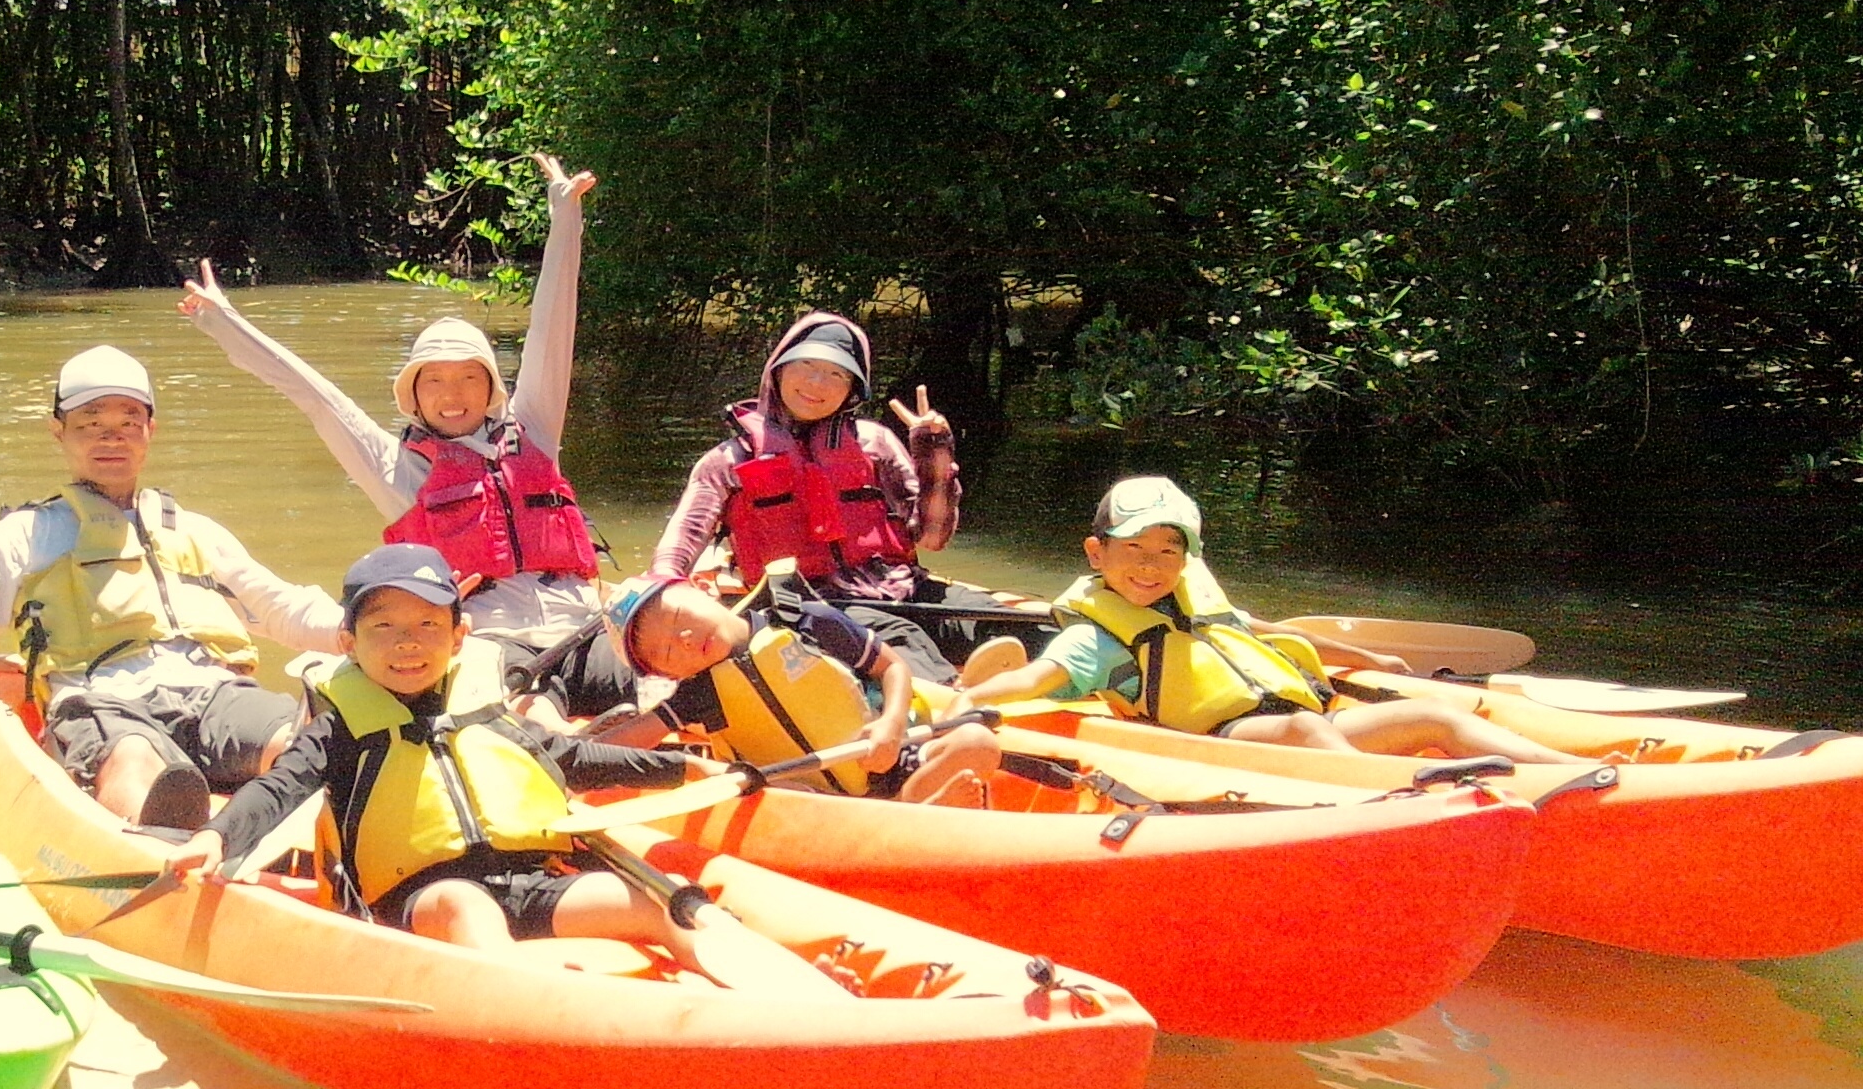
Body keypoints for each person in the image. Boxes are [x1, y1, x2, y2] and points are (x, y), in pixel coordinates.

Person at [177, 153, 632, 718]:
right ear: (413, 396)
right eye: (434, 380)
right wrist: (223, 320)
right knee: (537, 713)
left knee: (673, 671)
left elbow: (552, 327)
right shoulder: (397, 470)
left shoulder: (533, 429)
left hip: (585, 624)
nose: (452, 393)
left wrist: (565, 219)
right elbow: (314, 395)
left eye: (469, 377)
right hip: (494, 645)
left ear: (491, 387)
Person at [170, 547, 737, 968]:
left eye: (427, 625)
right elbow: (278, 789)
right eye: (383, 626)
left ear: (459, 635)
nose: (408, 643)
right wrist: (217, 837)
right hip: (417, 897)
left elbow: (568, 756)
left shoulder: (486, 710)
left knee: (656, 901)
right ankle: (528, 1005)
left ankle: (753, 998)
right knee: (466, 907)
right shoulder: (339, 728)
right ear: (349, 641)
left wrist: (681, 768)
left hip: (524, 880)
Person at [0, 346, 341, 828]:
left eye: (128, 422)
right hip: (101, 699)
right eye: (91, 423)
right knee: (135, 762)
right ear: (59, 431)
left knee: (300, 740)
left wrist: (360, 628)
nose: (111, 438)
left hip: (212, 691)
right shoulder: (28, 533)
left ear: (149, 432)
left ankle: (316, 846)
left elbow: (282, 607)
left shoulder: (196, 531)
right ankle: (163, 852)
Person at [966, 477, 1571, 761]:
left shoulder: (1198, 600)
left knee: (1434, 715)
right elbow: (1032, 681)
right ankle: (1397, 804)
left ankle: (1587, 776)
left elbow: (1274, 634)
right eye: (1134, 552)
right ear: (1097, 553)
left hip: (1308, 719)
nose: (1151, 568)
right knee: (1307, 733)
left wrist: (1373, 661)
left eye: (1167, 553)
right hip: (1228, 738)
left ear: (1187, 557)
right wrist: (957, 702)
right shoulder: (1093, 636)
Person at [650, 312, 1019, 681]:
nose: (816, 383)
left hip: (902, 589)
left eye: (836, 374)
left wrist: (934, 453)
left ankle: (1022, 678)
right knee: (904, 641)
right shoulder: (729, 461)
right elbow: (677, 548)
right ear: (777, 372)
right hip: (810, 607)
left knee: (1011, 624)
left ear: (852, 390)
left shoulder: (874, 443)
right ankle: (952, 707)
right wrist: (662, 594)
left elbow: (932, 538)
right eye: (806, 365)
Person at [611, 576, 1005, 806]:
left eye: (680, 617)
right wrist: (562, 755)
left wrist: (891, 723)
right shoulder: (698, 693)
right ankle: (922, 814)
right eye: (664, 652)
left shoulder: (805, 621)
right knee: (768, 787)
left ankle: (912, 809)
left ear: (704, 589)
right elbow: (632, 739)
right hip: (814, 803)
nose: (682, 639)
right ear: (663, 673)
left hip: (884, 761)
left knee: (977, 741)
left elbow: (893, 667)